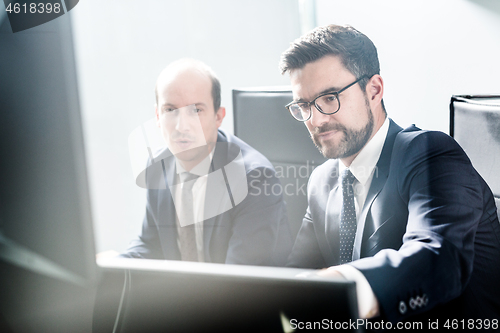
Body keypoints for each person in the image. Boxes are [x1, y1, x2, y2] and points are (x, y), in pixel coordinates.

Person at [280, 24, 500, 325]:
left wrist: (343, 284)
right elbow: (292, 281)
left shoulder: (430, 153)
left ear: (374, 90)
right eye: (303, 105)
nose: (315, 119)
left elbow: (437, 259)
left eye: (330, 98)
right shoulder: (323, 181)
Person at [120, 59, 291, 266]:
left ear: (219, 116)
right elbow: (150, 245)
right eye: (170, 110)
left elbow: (243, 281)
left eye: (196, 110)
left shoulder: (254, 178)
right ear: (157, 116)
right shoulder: (158, 165)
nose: (182, 126)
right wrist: (109, 267)